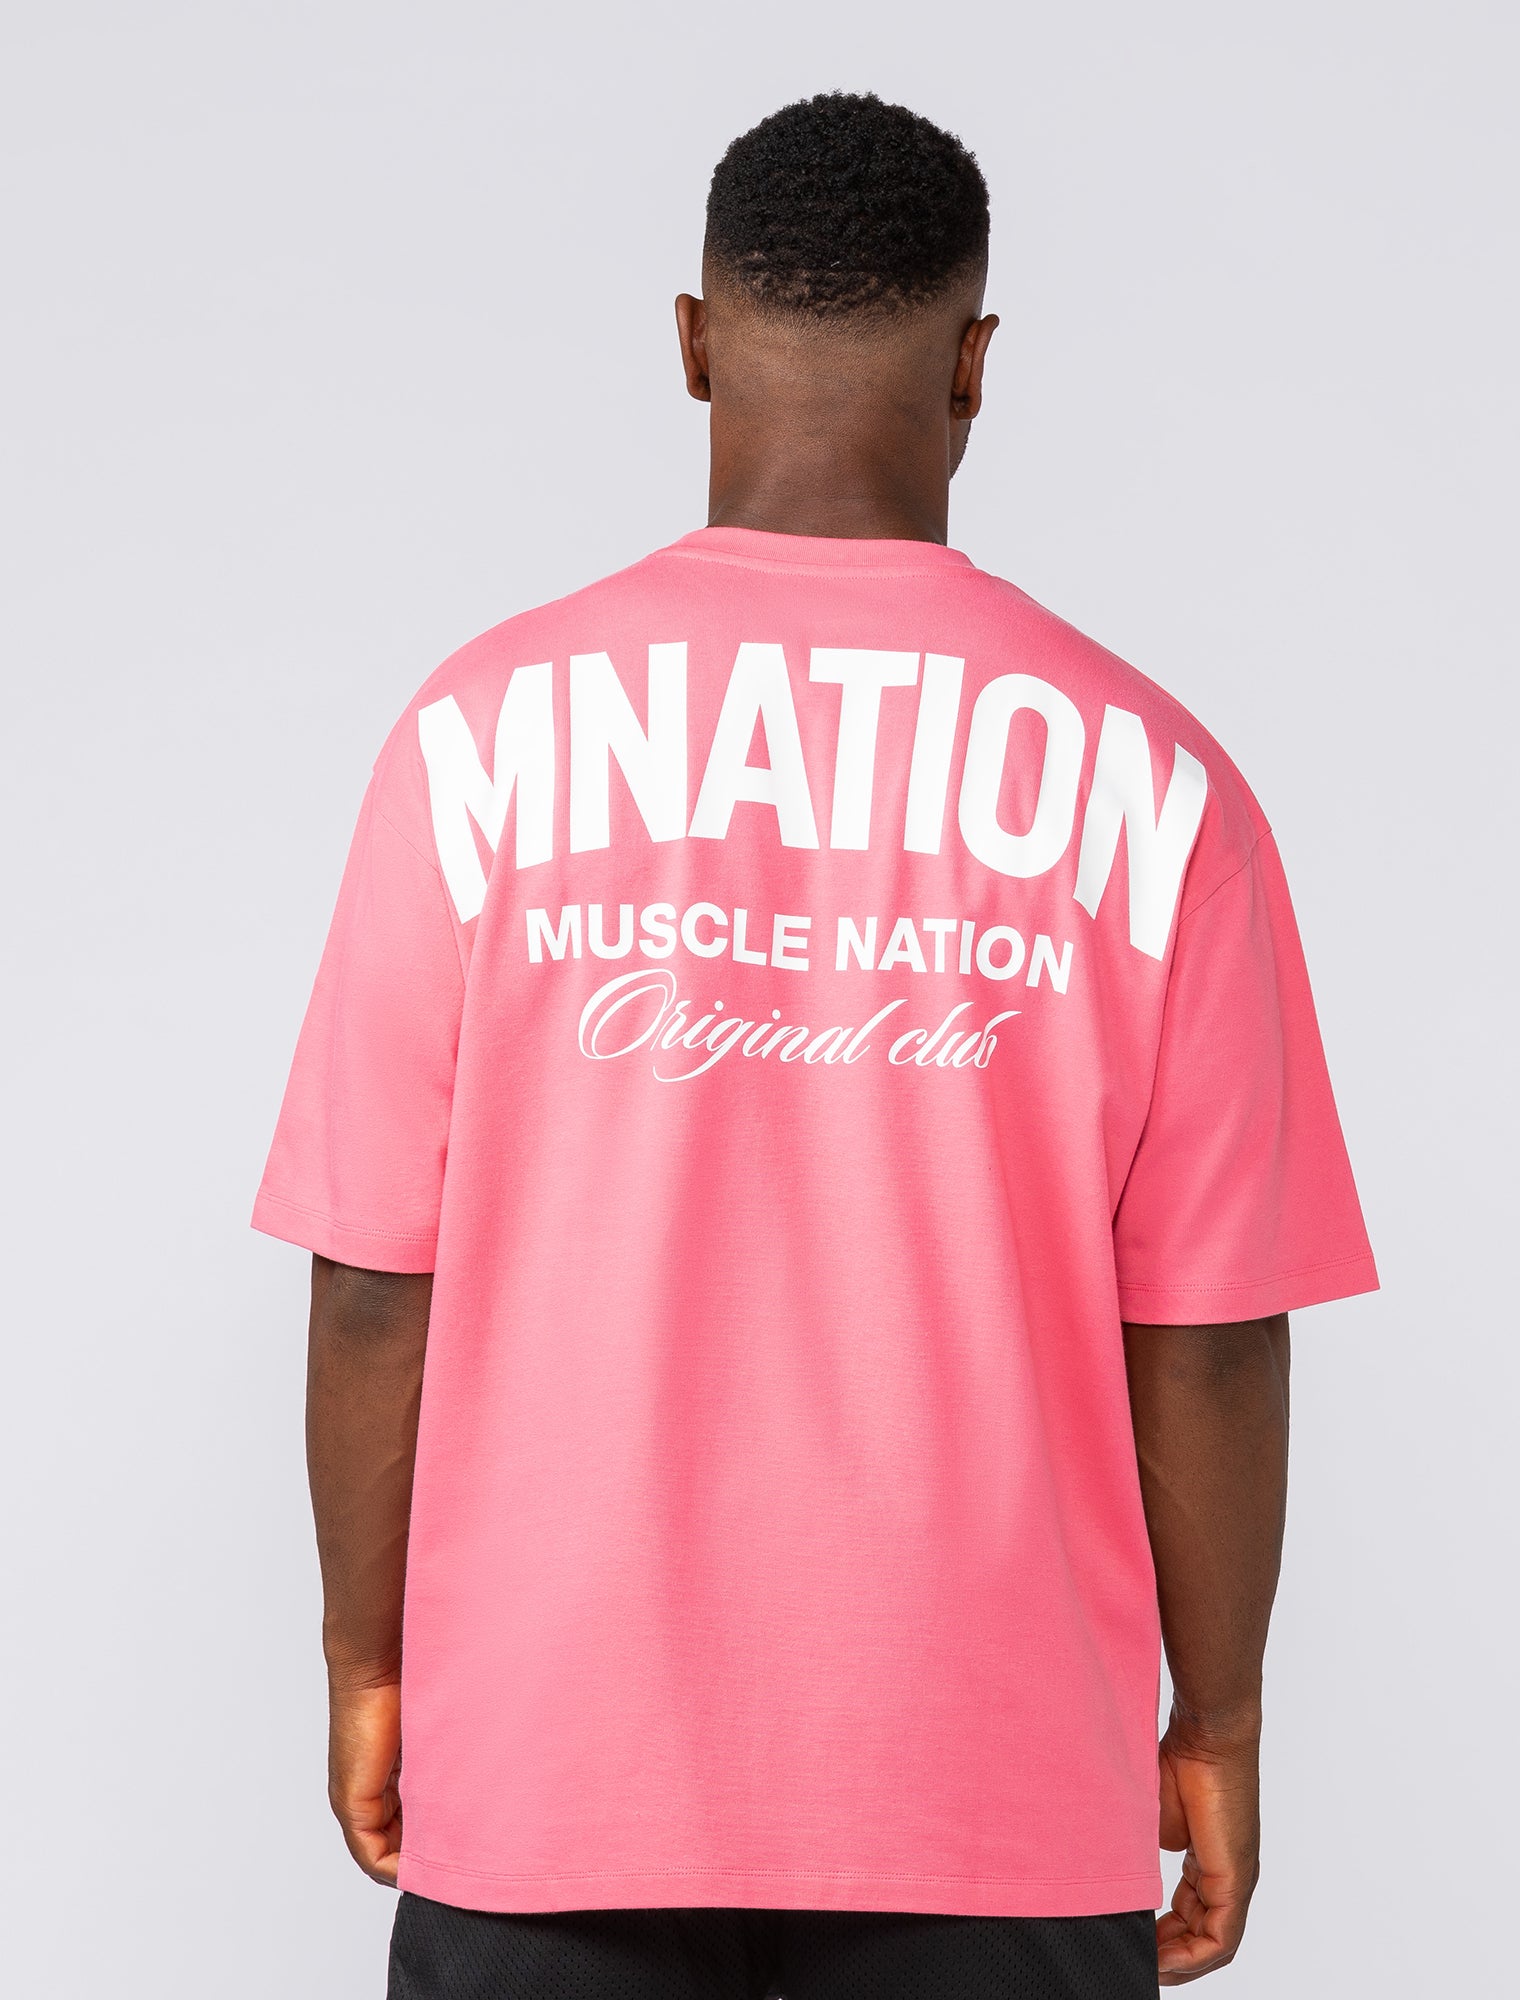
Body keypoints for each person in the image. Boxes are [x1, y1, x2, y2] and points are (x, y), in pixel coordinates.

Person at [254, 91, 1377, 1999]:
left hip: (553, 1768)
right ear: (974, 363)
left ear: (693, 342)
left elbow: (375, 1283)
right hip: (996, 1794)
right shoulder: (1160, 782)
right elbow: (1205, 1333)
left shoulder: (476, 736)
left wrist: (368, 1660)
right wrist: (1221, 1718)